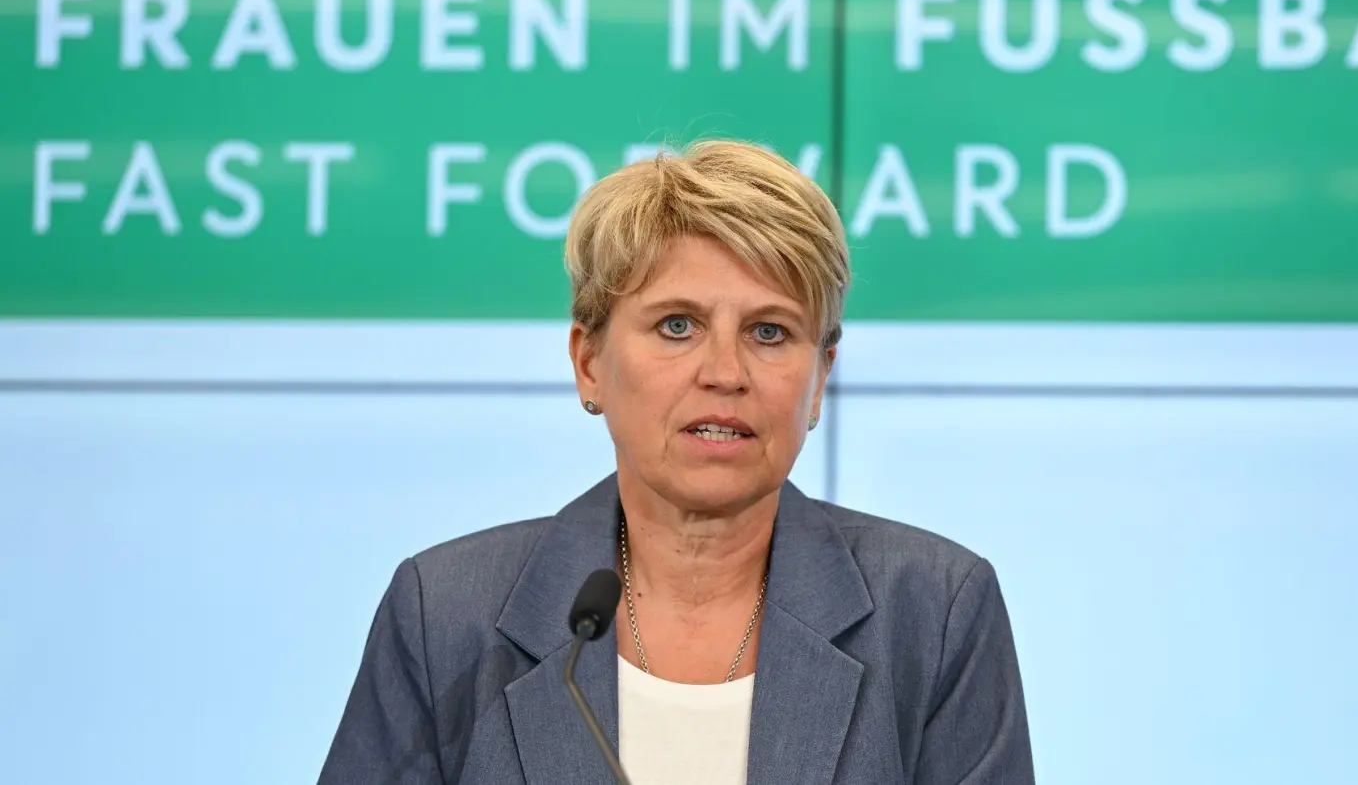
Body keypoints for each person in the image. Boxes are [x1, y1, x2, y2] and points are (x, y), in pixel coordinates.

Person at [317, 139, 1034, 784]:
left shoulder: (935, 613)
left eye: (770, 331)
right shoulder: (445, 613)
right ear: (589, 361)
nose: (725, 372)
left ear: (819, 378)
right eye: (677, 325)